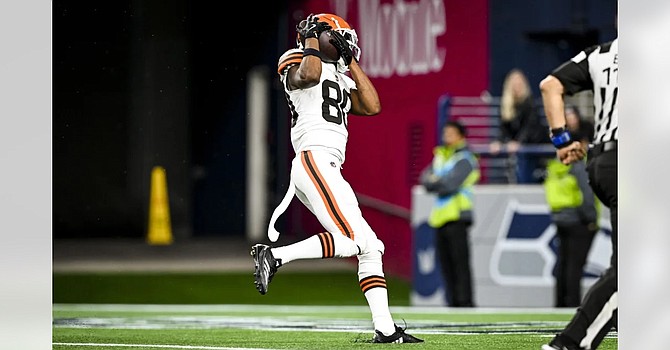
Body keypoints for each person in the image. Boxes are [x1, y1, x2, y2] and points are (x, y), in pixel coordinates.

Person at [250, 13, 423, 344]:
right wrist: (313, 39)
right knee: (356, 241)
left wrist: (350, 61)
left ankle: (385, 329)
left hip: (327, 166)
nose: (348, 41)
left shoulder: (340, 73)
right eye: (341, 37)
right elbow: (311, 74)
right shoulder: (298, 61)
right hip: (314, 159)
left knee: (371, 247)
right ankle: (274, 255)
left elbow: (372, 106)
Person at [539, 37, 618, 350]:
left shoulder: (601, 54)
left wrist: (561, 139)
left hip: (602, 160)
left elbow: (550, 84)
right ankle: (569, 343)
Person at [419, 121, 480, 307]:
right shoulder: (441, 156)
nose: (447, 137)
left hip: (458, 216)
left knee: (460, 264)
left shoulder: (465, 158)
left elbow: (449, 184)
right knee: (446, 264)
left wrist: (437, 181)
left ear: (461, 136)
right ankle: (452, 302)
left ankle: (465, 303)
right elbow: (425, 180)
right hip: (441, 218)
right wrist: (438, 181)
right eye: (445, 133)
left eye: (451, 133)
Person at [543, 106, 599, 307]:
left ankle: (560, 304)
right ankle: (571, 305)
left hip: (561, 216)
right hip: (578, 219)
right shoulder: (580, 163)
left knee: (564, 263)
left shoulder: (557, 162)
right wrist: (591, 218)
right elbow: (586, 192)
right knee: (574, 266)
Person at [490, 68, 550, 183]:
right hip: (520, 149)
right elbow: (504, 129)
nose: (517, 87)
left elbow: (530, 128)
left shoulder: (530, 103)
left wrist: (519, 142)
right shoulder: (506, 106)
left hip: (534, 148)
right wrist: (498, 141)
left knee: (527, 176)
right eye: (514, 84)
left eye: (519, 84)